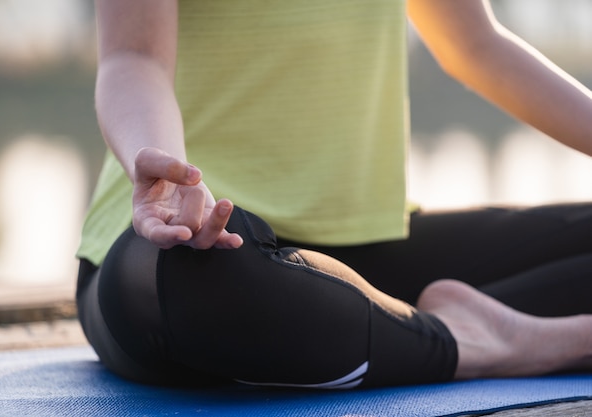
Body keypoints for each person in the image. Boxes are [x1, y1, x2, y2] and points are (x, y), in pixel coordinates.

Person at [76, 0, 592, 388]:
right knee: (194, 283)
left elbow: (475, 46)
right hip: (201, 242)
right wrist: (172, 176)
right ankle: (483, 342)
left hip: (368, 247)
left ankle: (384, 328)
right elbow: (133, 56)